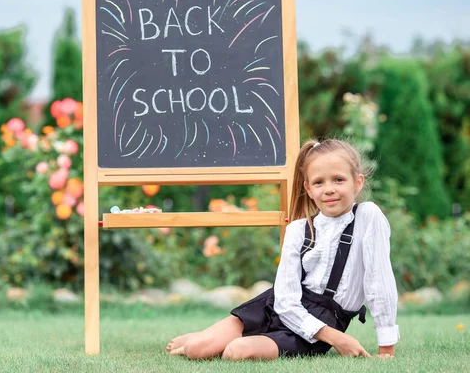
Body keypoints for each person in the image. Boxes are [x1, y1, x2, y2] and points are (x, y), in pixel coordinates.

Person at [166, 139, 399, 360]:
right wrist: (338, 339)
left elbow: (379, 283)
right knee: (197, 350)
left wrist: (386, 348)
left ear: (357, 182)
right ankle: (203, 340)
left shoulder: (368, 217)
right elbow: (285, 301)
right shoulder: (299, 229)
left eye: (338, 180)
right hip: (276, 307)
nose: (328, 189)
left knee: (236, 352)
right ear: (308, 188)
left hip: (318, 327)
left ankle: (224, 341)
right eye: (319, 182)